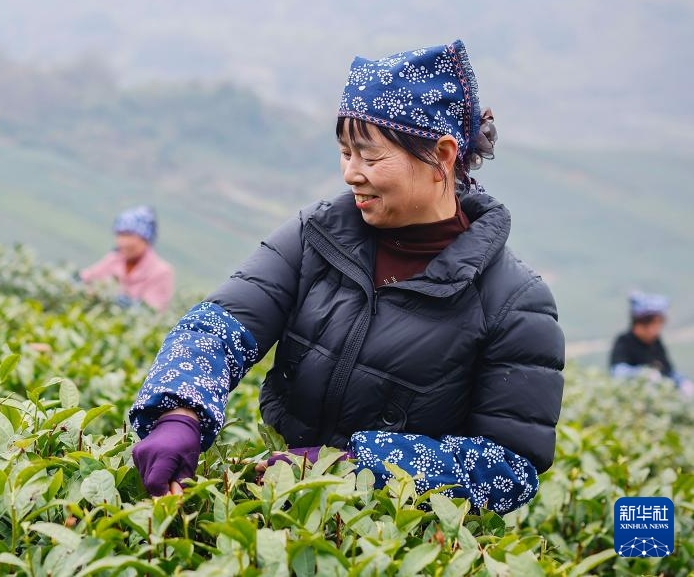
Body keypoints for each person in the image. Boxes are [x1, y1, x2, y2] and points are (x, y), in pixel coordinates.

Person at [129, 40, 565, 515]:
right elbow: (220, 326)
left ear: (442, 154)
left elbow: (508, 467)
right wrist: (179, 410)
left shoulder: (515, 301)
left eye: (371, 157)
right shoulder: (318, 233)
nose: (351, 174)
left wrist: (352, 469)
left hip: (399, 537)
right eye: (345, 153)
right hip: (273, 505)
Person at [81, 205, 174, 311]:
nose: (123, 242)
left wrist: (128, 305)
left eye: (129, 235)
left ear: (145, 239)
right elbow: (87, 278)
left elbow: (152, 311)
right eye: (120, 235)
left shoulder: (161, 272)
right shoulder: (114, 259)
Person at [610, 291, 693, 396]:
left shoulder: (656, 342)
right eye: (656, 323)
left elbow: (668, 370)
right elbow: (617, 371)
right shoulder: (624, 341)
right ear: (642, 323)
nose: (658, 328)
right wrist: (643, 374)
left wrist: (682, 381)